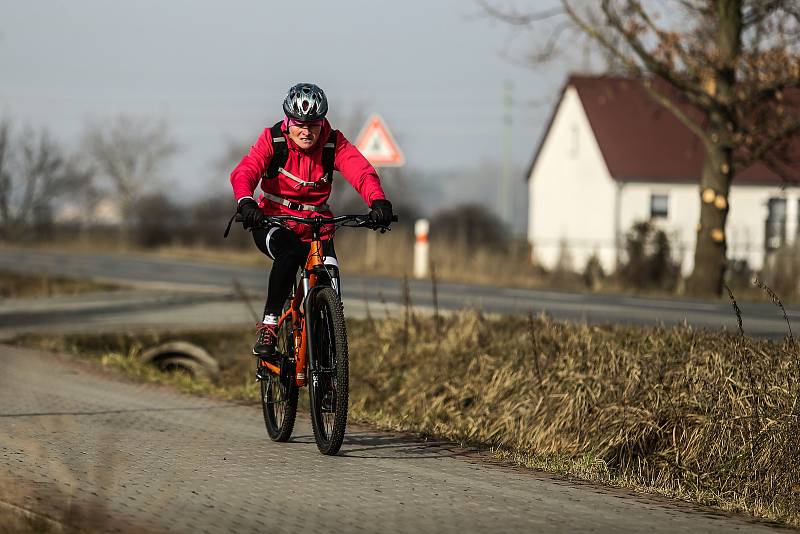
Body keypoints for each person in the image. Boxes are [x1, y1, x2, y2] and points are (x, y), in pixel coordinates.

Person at [230, 83, 393, 359]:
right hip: (273, 220)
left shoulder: (333, 142)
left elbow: (361, 172)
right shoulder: (273, 140)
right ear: (288, 122)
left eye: (314, 124)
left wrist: (377, 201)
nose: (307, 131)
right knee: (290, 252)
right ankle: (269, 325)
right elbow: (246, 171)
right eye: (299, 124)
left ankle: (329, 357)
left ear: (322, 122)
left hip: (317, 225)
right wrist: (245, 202)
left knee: (330, 278)